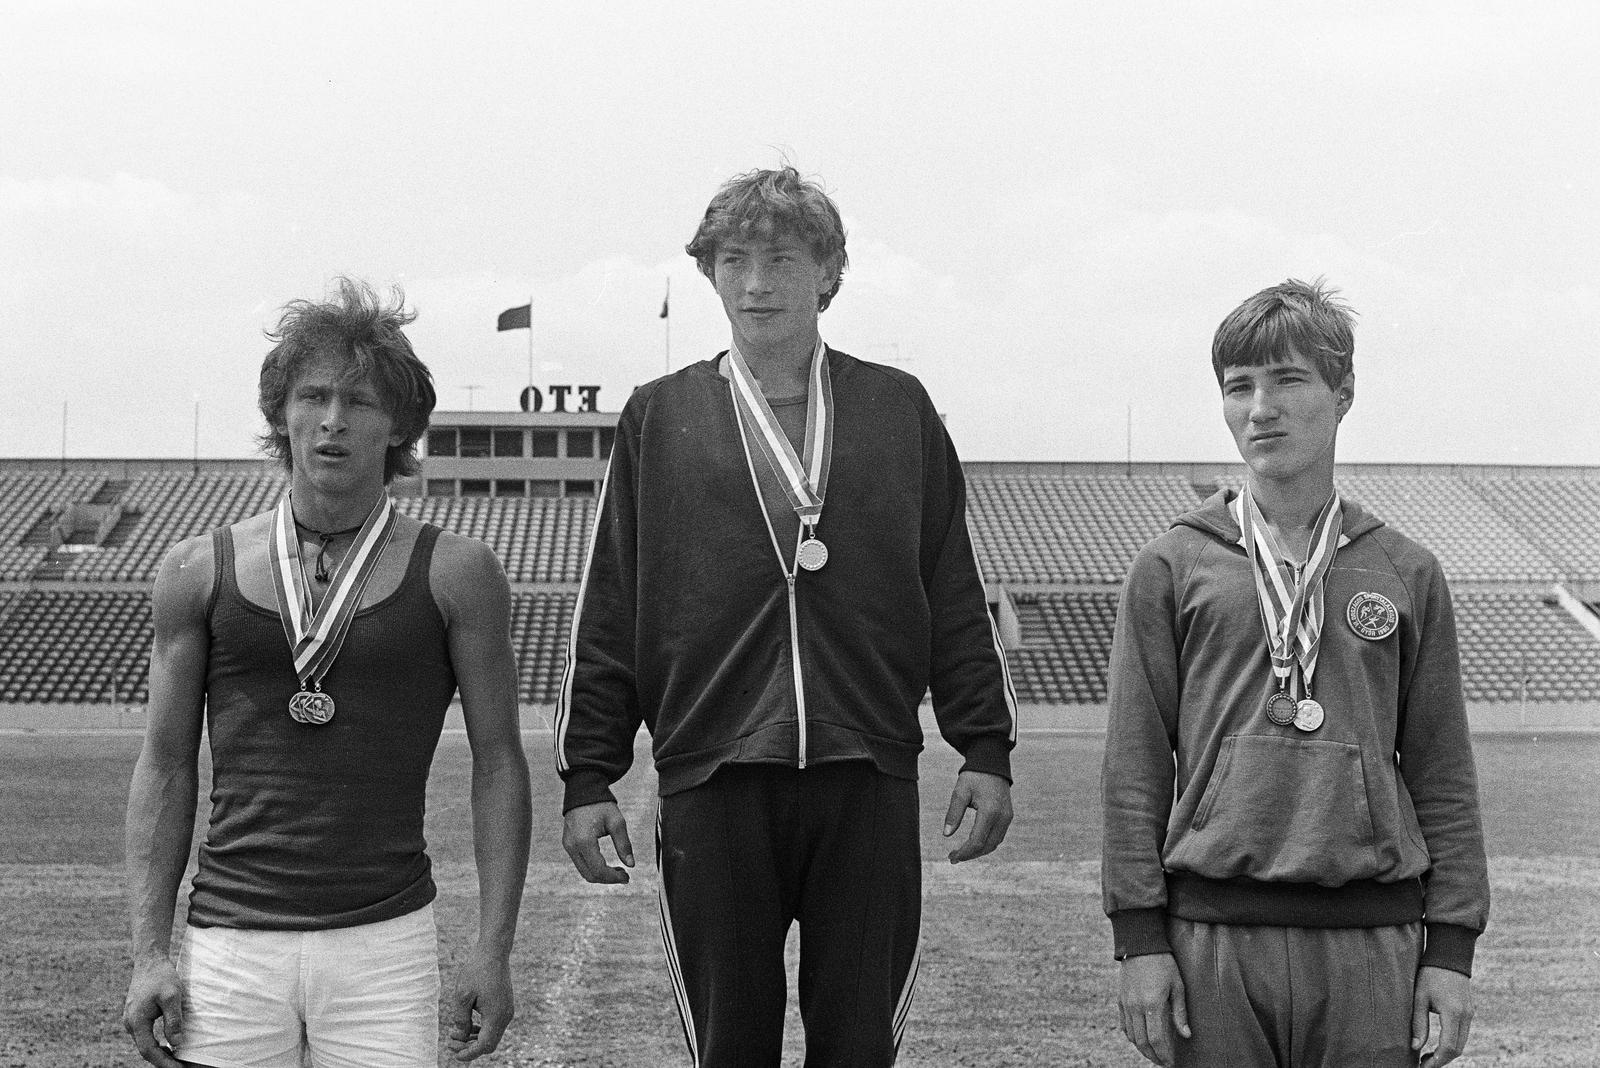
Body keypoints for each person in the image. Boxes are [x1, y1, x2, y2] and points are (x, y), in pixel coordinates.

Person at [556, 165, 1018, 1066]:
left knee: (858, 1049)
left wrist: (986, 748)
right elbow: (612, 598)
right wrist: (588, 776)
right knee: (732, 1049)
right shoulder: (660, 414)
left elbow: (952, 591)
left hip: (866, 769)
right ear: (710, 274)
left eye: (782, 259)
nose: (757, 281)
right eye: (735, 260)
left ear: (830, 273)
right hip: (712, 773)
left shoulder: (897, 406)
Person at [122, 278, 532, 1067]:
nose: (334, 419)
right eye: (313, 396)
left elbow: (499, 763)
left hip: (386, 942)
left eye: (361, 401)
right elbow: (165, 766)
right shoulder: (194, 569)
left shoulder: (459, 573)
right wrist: (149, 952)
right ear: (282, 413)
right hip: (230, 943)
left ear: (399, 426)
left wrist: (492, 950)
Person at [1101, 278, 1491, 1068]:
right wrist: (1139, 938)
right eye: (1238, 387)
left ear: (1343, 394)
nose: (1260, 409)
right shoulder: (1171, 566)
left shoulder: (1406, 571)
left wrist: (1449, 949)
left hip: (1372, 939)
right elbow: (1134, 767)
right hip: (1209, 936)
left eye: (1287, 380)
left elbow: (1444, 772)